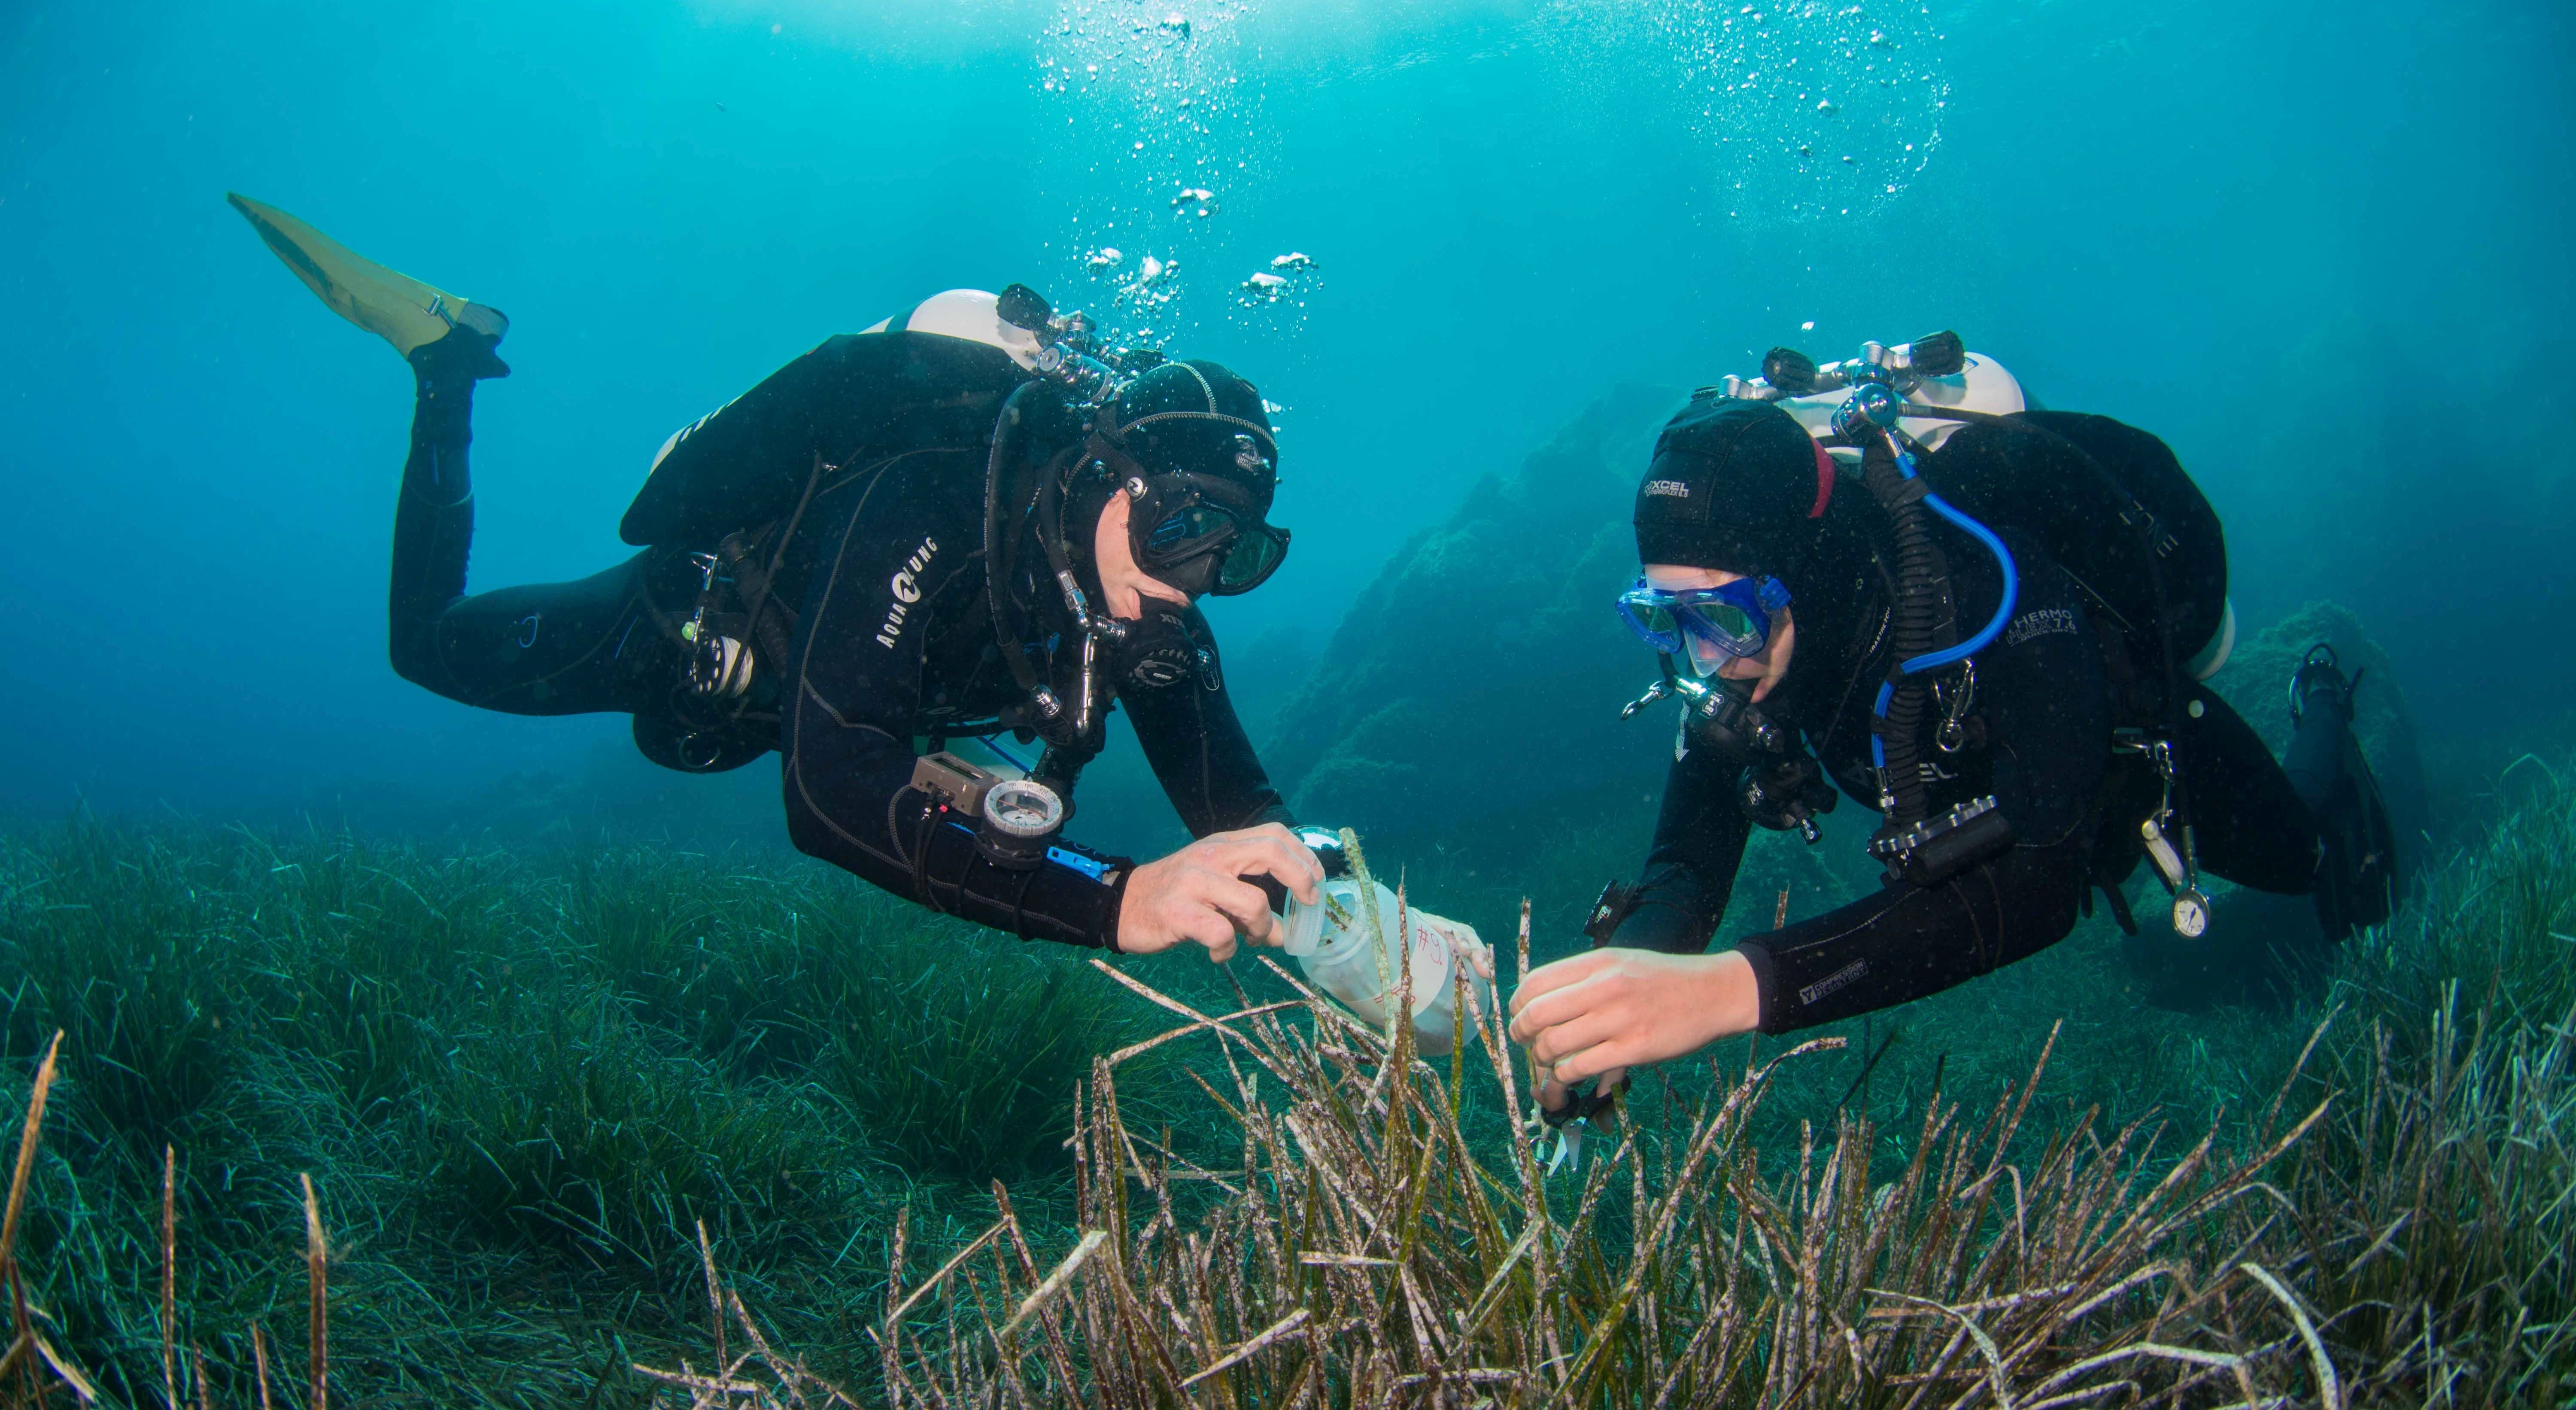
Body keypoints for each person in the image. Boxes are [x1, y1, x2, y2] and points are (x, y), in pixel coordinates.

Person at [230, 193, 1335, 961]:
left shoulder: (1151, 616)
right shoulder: (928, 502)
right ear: (1101, 473)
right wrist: (1118, 895)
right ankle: (446, 360)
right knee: (425, 649)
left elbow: (1255, 829)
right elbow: (832, 791)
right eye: (1183, 525)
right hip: (686, 642)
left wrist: (1386, 941)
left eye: (1237, 553)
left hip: (812, 699)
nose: (1195, 579)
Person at [1508, 344, 2400, 1107]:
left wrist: (1736, 988)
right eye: (1665, 619)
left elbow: (2043, 880)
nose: (1702, 660)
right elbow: (1686, 859)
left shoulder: (1974, 578)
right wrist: (1633, 968)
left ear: (1805, 569)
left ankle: (2322, 698)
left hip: (2118, 758)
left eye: (1723, 618)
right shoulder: (1747, 653)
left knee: (2309, 861)